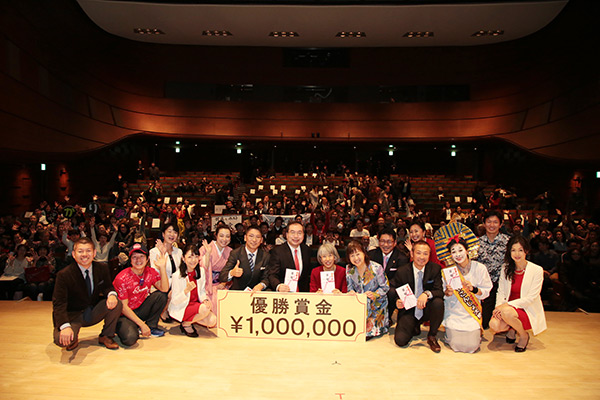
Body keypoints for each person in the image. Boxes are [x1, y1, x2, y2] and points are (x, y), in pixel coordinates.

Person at [52, 237, 123, 350]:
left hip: (92, 311)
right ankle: (73, 337)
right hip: (72, 315)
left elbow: (108, 287)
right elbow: (59, 304)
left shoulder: (102, 268)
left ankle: (106, 336)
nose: (85, 254)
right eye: (80, 251)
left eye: (88, 251)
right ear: (74, 254)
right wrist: (65, 326)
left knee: (117, 303)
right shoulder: (64, 275)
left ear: (94, 253)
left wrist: (111, 295)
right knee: (61, 341)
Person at [490, 235, 547, 352]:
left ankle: (523, 335)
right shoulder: (506, 268)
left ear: (526, 251)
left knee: (507, 312)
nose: (517, 254)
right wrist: (498, 307)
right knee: (494, 325)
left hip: (526, 308)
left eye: (520, 250)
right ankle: (512, 328)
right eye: (513, 250)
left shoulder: (536, 270)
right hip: (507, 308)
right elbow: (501, 291)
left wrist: (506, 306)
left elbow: (531, 298)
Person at [390, 240, 444, 352]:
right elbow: (394, 290)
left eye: (425, 254)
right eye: (418, 253)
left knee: (438, 302)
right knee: (400, 341)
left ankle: (432, 336)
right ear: (412, 253)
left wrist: (426, 294)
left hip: (427, 308)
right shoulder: (402, 271)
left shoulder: (435, 269)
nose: (422, 257)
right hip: (409, 309)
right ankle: (414, 326)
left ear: (429, 255)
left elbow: (439, 291)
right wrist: (397, 301)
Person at [112, 243, 169, 346]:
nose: (138, 260)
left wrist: (162, 268)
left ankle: (151, 326)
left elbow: (164, 289)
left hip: (140, 309)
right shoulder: (122, 278)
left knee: (161, 296)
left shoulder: (150, 272)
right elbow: (123, 307)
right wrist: (142, 324)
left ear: (147, 259)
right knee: (130, 339)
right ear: (130, 260)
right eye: (134, 257)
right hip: (124, 315)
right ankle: (129, 327)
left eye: (142, 256)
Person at [442, 237, 492, 353]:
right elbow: (443, 293)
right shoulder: (448, 271)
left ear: (467, 251)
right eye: (453, 252)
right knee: (457, 345)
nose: (458, 254)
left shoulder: (480, 268)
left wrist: (474, 289)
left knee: (471, 346)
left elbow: (486, 291)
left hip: (472, 313)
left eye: (460, 250)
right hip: (453, 312)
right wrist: (447, 292)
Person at [169, 244, 217, 337]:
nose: (193, 260)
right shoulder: (177, 275)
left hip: (195, 304)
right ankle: (187, 324)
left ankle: (186, 322)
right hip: (182, 306)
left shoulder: (200, 271)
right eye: (190, 257)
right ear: (183, 258)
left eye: (196, 256)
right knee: (204, 309)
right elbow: (174, 301)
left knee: (212, 321)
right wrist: (186, 291)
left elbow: (202, 291)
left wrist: (205, 300)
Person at [346, 240, 389, 340]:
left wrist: (374, 294)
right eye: (352, 256)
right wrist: (351, 292)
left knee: (366, 333)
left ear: (364, 253)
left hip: (376, 303)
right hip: (359, 303)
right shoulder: (349, 269)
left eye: (358, 254)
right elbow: (350, 287)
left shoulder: (376, 267)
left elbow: (385, 287)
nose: (356, 258)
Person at [477, 210, 510, 329]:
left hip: (502, 285)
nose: (492, 225)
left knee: (503, 316)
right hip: (484, 286)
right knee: (484, 322)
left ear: (501, 224)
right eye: (489, 222)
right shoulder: (477, 243)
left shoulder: (508, 242)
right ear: (484, 223)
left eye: (495, 222)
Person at [219, 226, 270, 291]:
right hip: (238, 292)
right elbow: (222, 276)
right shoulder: (235, 253)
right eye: (251, 236)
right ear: (245, 238)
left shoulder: (266, 256)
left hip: (257, 292)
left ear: (261, 240)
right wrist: (232, 273)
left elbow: (267, 277)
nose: (254, 240)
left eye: (257, 237)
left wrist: (261, 285)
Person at [269, 221, 314, 292]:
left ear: (303, 235)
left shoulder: (307, 250)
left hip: (302, 294)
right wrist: (278, 286)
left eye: (299, 233)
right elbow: (272, 274)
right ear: (287, 234)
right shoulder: (277, 251)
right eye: (292, 232)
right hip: (284, 293)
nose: (296, 236)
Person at [199, 226, 233, 311]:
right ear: (216, 235)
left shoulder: (230, 251)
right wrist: (207, 254)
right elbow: (202, 269)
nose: (224, 239)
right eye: (221, 236)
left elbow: (231, 272)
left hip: (222, 285)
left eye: (227, 236)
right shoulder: (205, 248)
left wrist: (224, 283)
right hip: (207, 285)